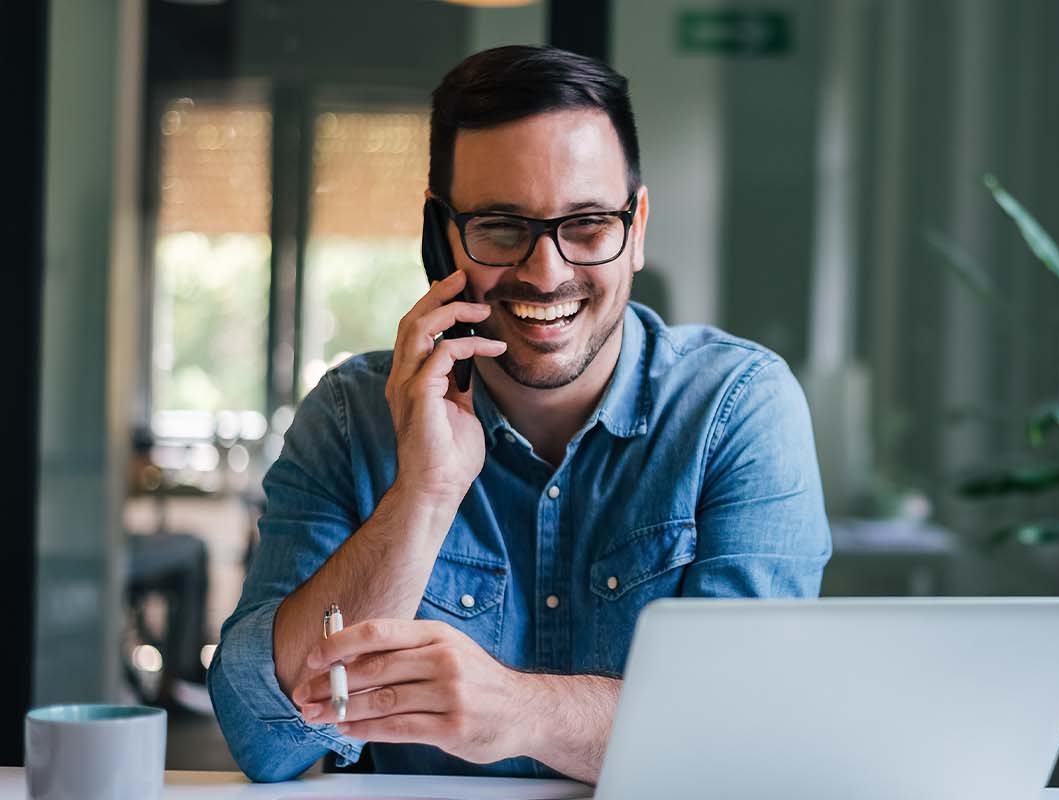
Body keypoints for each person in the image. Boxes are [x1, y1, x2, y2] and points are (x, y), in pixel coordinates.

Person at [208, 45, 832, 783]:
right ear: (442, 237)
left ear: (637, 228)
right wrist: (424, 496)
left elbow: (749, 738)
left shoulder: (737, 409)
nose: (546, 271)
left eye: (588, 224)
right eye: (501, 227)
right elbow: (264, 739)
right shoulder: (351, 416)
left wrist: (518, 710)